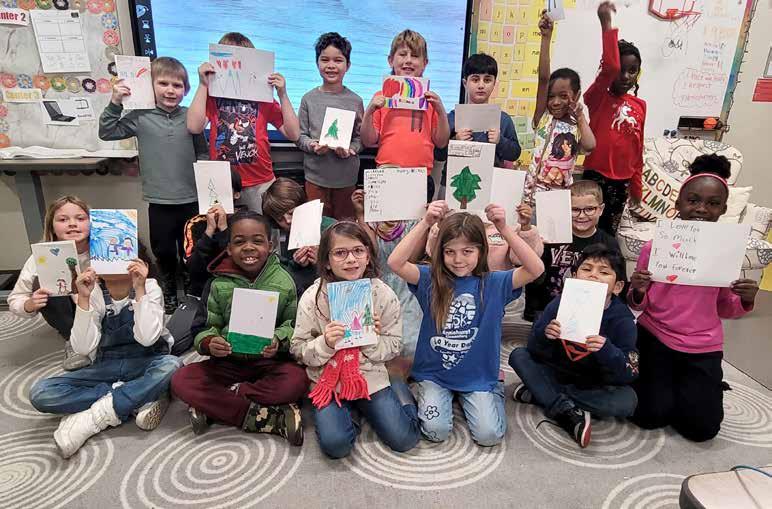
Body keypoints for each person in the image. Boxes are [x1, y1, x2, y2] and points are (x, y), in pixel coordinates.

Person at [388, 201, 544, 445]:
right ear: (440, 252)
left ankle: (492, 388)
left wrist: (504, 228)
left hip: (478, 375)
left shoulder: (495, 282)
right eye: (449, 252)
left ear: (481, 251)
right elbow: (395, 263)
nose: (458, 259)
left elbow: (536, 268)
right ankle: (440, 394)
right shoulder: (431, 279)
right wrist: (426, 222)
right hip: (435, 374)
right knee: (436, 431)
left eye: (467, 251)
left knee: (489, 436)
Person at [629, 155, 758, 442]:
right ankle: (674, 387)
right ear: (678, 203)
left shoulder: (726, 252)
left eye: (713, 204)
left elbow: (726, 308)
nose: (701, 209)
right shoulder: (654, 247)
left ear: (723, 209)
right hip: (655, 335)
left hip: (702, 345)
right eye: (693, 200)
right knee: (648, 416)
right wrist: (637, 290)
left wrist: (745, 300)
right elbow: (639, 303)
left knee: (702, 430)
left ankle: (698, 387)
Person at [28, 243, 181, 458]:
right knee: (41, 393)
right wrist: (83, 299)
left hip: (145, 361)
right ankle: (137, 395)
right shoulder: (95, 292)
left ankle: (97, 416)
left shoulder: (150, 287)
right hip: (106, 367)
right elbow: (82, 348)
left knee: (172, 366)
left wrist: (139, 290)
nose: (113, 261)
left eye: (120, 255)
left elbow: (147, 339)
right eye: (104, 256)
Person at [170, 211, 308, 445]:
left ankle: (217, 405)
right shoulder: (217, 282)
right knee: (182, 380)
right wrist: (209, 342)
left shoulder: (287, 280)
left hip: (269, 363)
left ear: (270, 246)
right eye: (239, 241)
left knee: (298, 381)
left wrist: (279, 340)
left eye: (257, 241)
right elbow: (203, 327)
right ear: (229, 248)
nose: (248, 247)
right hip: (227, 362)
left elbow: (294, 325)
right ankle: (263, 416)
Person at [291, 222, 420, 458]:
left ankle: (397, 386)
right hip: (328, 379)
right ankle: (352, 411)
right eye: (340, 253)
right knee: (336, 446)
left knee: (405, 439)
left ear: (368, 256)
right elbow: (298, 349)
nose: (351, 259)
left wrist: (372, 339)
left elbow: (394, 346)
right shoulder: (312, 298)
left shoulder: (382, 294)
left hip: (371, 374)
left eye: (358, 251)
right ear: (326, 261)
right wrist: (326, 343)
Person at [99, 57, 209, 313]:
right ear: (150, 87)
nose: (170, 90)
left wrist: (205, 180)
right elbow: (107, 132)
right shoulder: (140, 116)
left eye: (177, 85)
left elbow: (202, 152)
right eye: (163, 83)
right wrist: (115, 102)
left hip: (191, 198)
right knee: (164, 250)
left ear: (186, 90)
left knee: (191, 249)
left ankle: (191, 289)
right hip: (159, 200)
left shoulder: (191, 116)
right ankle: (168, 288)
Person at [509, 244, 638, 448]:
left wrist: (607, 350)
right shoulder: (560, 303)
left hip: (593, 383)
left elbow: (630, 373)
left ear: (618, 286)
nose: (593, 275)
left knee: (627, 401)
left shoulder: (623, 320)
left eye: (604, 272)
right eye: (587, 269)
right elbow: (534, 349)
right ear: (575, 276)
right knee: (518, 355)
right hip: (556, 370)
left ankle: (542, 393)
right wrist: (545, 334)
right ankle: (564, 409)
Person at [187, 32, 300, 214]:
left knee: (263, 228)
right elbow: (194, 126)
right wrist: (203, 85)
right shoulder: (213, 96)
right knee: (224, 229)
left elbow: (293, 133)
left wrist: (283, 94)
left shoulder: (263, 98)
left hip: (260, 181)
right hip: (223, 181)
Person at [360, 29, 450, 200]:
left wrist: (440, 111)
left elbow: (441, 141)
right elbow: (368, 140)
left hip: (420, 177)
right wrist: (370, 111)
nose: (408, 60)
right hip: (386, 174)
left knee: (418, 218)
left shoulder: (431, 100)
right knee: (386, 218)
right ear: (390, 60)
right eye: (402, 54)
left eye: (415, 56)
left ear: (425, 63)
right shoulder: (380, 97)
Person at [582, 2, 646, 233]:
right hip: (596, 178)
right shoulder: (597, 97)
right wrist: (606, 23)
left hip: (622, 183)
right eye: (622, 70)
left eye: (632, 71)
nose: (626, 76)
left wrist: (636, 188)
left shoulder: (640, 105)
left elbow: (638, 150)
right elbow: (609, 67)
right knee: (584, 231)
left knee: (608, 235)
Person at [9, 196, 92, 370]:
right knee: (43, 283)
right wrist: (30, 304)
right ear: (52, 226)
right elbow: (16, 298)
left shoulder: (105, 249)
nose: (72, 224)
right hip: (71, 314)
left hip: (103, 308)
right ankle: (74, 342)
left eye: (80, 218)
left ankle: (111, 337)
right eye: (63, 220)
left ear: (92, 222)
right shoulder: (40, 258)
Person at [524, 13, 595, 202]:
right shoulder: (543, 116)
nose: (555, 102)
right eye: (551, 96)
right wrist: (546, 37)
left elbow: (590, 146)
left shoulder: (576, 126)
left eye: (563, 96)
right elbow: (543, 79)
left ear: (576, 96)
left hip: (558, 200)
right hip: (530, 196)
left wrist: (580, 118)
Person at [524, 180, 620, 321]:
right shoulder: (549, 236)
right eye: (575, 210)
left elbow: (615, 282)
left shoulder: (608, 243)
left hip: (588, 315)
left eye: (589, 209)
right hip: (545, 310)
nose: (581, 216)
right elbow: (532, 273)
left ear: (601, 209)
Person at [296, 32, 364, 220]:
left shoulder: (356, 101)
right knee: (316, 227)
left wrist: (351, 149)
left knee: (345, 227)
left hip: (346, 179)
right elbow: (300, 136)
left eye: (338, 60)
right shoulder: (308, 99)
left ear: (348, 65)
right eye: (325, 60)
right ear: (317, 63)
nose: (331, 65)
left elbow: (361, 138)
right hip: (315, 179)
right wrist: (313, 145)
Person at [435, 53, 521, 190]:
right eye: (475, 80)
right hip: (453, 185)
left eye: (487, 80)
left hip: (489, 186)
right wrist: (455, 141)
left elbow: (515, 153)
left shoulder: (503, 119)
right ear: (465, 83)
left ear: (494, 84)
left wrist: (500, 141)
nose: (481, 85)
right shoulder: (452, 118)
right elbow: (438, 155)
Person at [261, 177, 337, 296]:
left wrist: (323, 261)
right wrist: (296, 264)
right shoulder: (290, 236)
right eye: (280, 219)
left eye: (291, 213)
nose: (288, 221)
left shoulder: (331, 228)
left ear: (304, 206)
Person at [182, 168, 243, 299]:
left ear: (236, 194)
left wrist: (224, 230)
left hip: (236, 287)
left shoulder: (245, 221)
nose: (215, 194)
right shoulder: (194, 224)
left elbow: (241, 263)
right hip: (202, 289)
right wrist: (208, 232)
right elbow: (192, 269)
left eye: (222, 189)